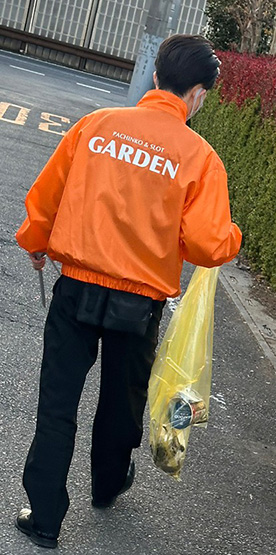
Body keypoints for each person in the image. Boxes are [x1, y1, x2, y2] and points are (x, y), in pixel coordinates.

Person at [14, 34, 242, 549]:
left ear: (157, 76)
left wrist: (36, 240)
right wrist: (234, 236)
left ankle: (44, 517)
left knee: (57, 404)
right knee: (121, 403)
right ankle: (108, 484)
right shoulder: (200, 157)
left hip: (75, 288)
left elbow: (48, 195)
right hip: (139, 305)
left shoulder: (96, 127)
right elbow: (209, 245)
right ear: (199, 94)